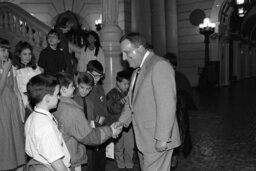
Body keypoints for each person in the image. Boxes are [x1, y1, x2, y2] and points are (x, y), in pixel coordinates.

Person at [116, 32, 181, 171]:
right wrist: (121, 122)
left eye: (127, 52)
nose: (123, 58)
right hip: (144, 139)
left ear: (140, 48)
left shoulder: (159, 65)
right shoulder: (135, 72)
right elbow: (130, 102)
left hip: (157, 139)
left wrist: (162, 138)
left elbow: (167, 105)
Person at [53, 72, 121, 171]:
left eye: (88, 88)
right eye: (79, 87)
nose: (84, 91)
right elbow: (88, 135)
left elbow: (97, 115)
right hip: (78, 145)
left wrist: (99, 122)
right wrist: (110, 131)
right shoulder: (72, 106)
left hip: (84, 139)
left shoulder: (88, 101)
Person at [25, 74, 71, 170]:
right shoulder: (44, 126)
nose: (59, 97)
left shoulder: (33, 117)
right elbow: (56, 163)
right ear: (47, 98)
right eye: (57, 94)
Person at [164, 52, 197, 169]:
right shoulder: (161, 76)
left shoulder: (180, 77)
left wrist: (177, 99)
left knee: (178, 136)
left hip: (178, 114)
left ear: (174, 65)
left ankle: (174, 156)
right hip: (165, 114)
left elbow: (188, 96)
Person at [0, 38, 26, 171]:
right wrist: (4, 71)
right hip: (1, 111)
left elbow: (16, 90)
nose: (6, 53)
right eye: (2, 50)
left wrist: (20, 106)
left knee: (16, 142)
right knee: (5, 143)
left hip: (12, 109)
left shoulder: (11, 67)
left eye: (7, 50)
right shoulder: (5, 68)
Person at [106, 70, 135, 170]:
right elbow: (111, 109)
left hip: (128, 125)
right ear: (118, 82)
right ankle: (121, 165)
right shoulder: (111, 94)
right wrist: (122, 101)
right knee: (119, 147)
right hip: (117, 124)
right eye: (125, 83)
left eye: (128, 84)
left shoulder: (129, 93)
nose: (127, 86)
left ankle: (129, 163)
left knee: (130, 146)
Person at [84, 60, 108, 171]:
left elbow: (104, 109)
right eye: (94, 76)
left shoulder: (99, 88)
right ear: (87, 72)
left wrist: (103, 122)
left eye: (99, 76)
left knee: (100, 162)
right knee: (90, 163)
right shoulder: (84, 89)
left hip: (100, 127)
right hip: (90, 129)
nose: (96, 79)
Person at [13, 41, 42, 121]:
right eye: (24, 54)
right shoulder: (15, 69)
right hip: (24, 102)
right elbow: (17, 89)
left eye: (29, 54)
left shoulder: (35, 67)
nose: (28, 57)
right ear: (19, 55)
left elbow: (40, 84)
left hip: (38, 99)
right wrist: (27, 104)